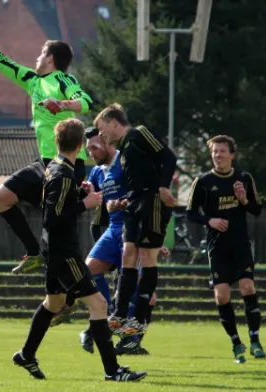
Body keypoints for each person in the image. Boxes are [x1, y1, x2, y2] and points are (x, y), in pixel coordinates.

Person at [11, 118, 147, 382]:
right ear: (81, 145)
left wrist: (77, 193)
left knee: (55, 303)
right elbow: (52, 217)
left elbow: (56, 205)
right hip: (64, 252)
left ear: (58, 142)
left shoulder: (55, 168)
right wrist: (84, 203)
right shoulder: (63, 175)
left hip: (53, 249)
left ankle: (26, 354)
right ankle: (113, 371)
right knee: (98, 304)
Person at [0, 20, 93, 274]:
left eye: (41, 53)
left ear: (50, 58)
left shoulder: (63, 79)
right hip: (45, 163)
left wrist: (62, 104)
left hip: (69, 166)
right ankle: (33, 252)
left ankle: (73, 294)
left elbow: (84, 102)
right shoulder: (32, 80)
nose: (37, 57)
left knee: (60, 234)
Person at [50, 127, 156, 355]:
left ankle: (131, 340)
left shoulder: (126, 163)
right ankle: (103, 319)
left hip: (133, 230)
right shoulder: (97, 172)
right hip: (113, 229)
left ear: (108, 143)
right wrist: (86, 191)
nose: (91, 153)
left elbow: (146, 195)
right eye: (88, 149)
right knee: (88, 272)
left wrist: (155, 236)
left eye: (95, 147)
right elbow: (94, 197)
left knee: (142, 291)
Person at [95, 103, 177, 337]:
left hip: (152, 201)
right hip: (133, 202)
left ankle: (139, 319)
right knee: (127, 254)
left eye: (102, 129)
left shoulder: (139, 133)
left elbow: (169, 157)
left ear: (113, 123)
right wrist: (122, 200)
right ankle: (120, 313)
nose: (101, 136)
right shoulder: (122, 153)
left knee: (146, 256)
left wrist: (162, 186)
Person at [186, 135, 265, 363]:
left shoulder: (244, 178)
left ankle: (255, 339)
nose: (218, 155)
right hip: (217, 246)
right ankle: (236, 343)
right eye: (215, 152)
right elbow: (191, 214)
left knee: (247, 286)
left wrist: (242, 200)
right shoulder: (202, 182)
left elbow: (256, 210)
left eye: (222, 151)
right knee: (221, 296)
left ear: (232, 154)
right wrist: (209, 220)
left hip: (240, 243)